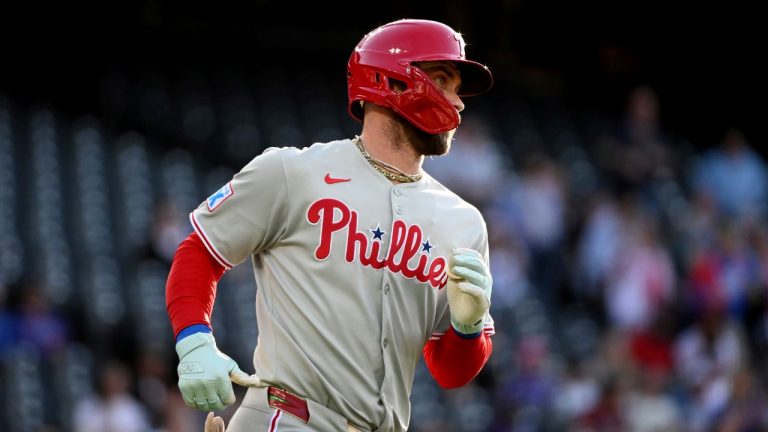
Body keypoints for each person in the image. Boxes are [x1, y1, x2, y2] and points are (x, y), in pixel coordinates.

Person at [165, 18, 496, 431]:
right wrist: (195, 340)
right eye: (444, 80)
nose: (458, 102)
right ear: (392, 80)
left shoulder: (464, 222)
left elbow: (450, 374)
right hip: (289, 417)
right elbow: (201, 250)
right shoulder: (293, 172)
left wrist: (467, 329)